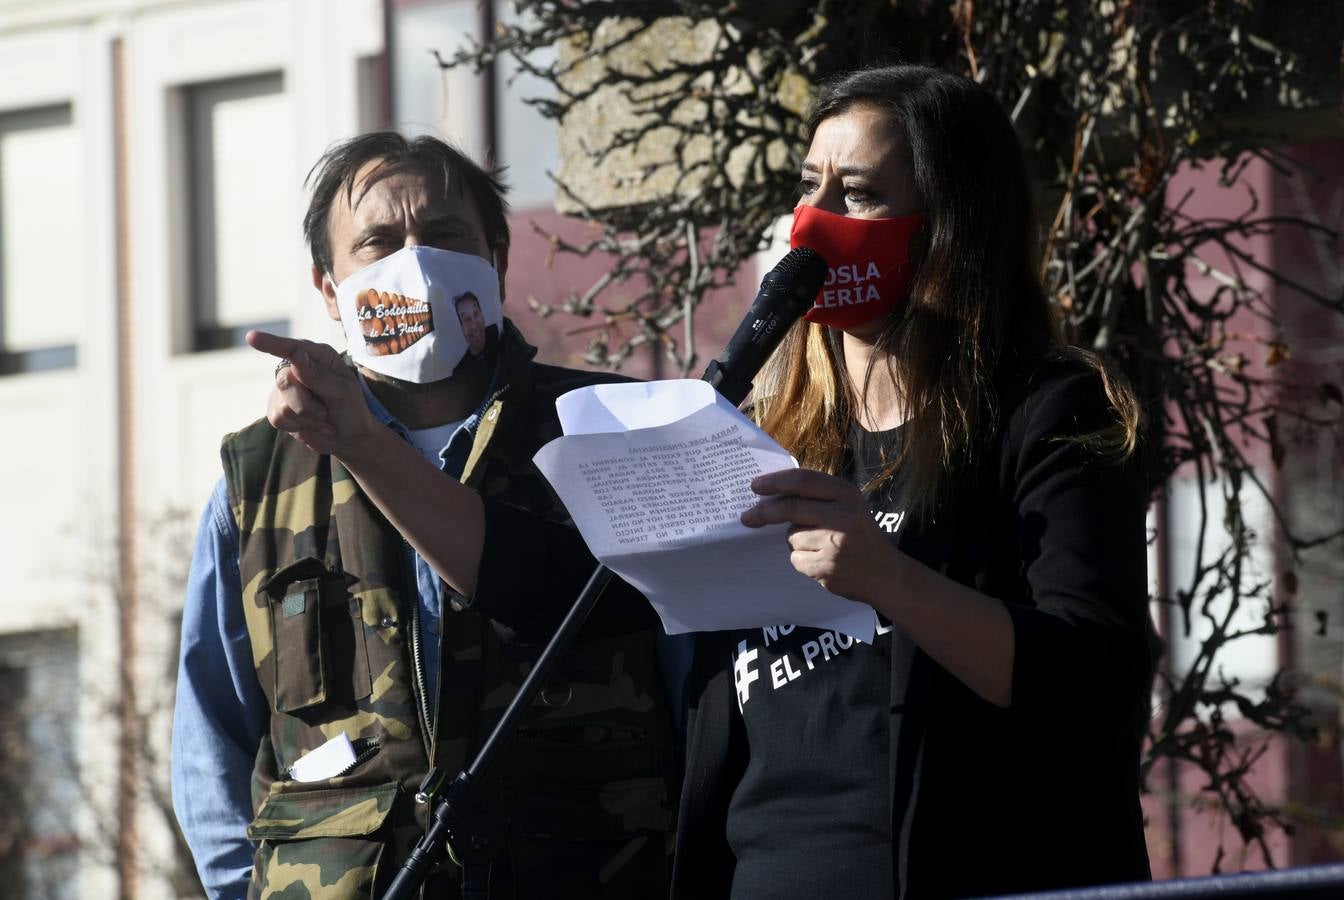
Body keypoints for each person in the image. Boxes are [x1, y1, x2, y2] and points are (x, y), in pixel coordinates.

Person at [669, 65, 1155, 899]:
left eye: (856, 193)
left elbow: (1095, 682)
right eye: (808, 187)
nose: (816, 221)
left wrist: (887, 578)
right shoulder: (765, 432)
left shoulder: (1049, 411)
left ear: (949, 223)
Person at [170, 132, 679, 899]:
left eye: (445, 236)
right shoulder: (260, 481)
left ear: (498, 259)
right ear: (328, 288)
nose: (415, 261)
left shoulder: (603, 430)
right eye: (378, 242)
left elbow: (693, 688)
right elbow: (212, 746)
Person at [455, 290, 497, 357]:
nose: (474, 326)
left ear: (482, 315)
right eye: (467, 319)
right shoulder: (463, 366)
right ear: (462, 328)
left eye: (476, 314)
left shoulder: (502, 334)